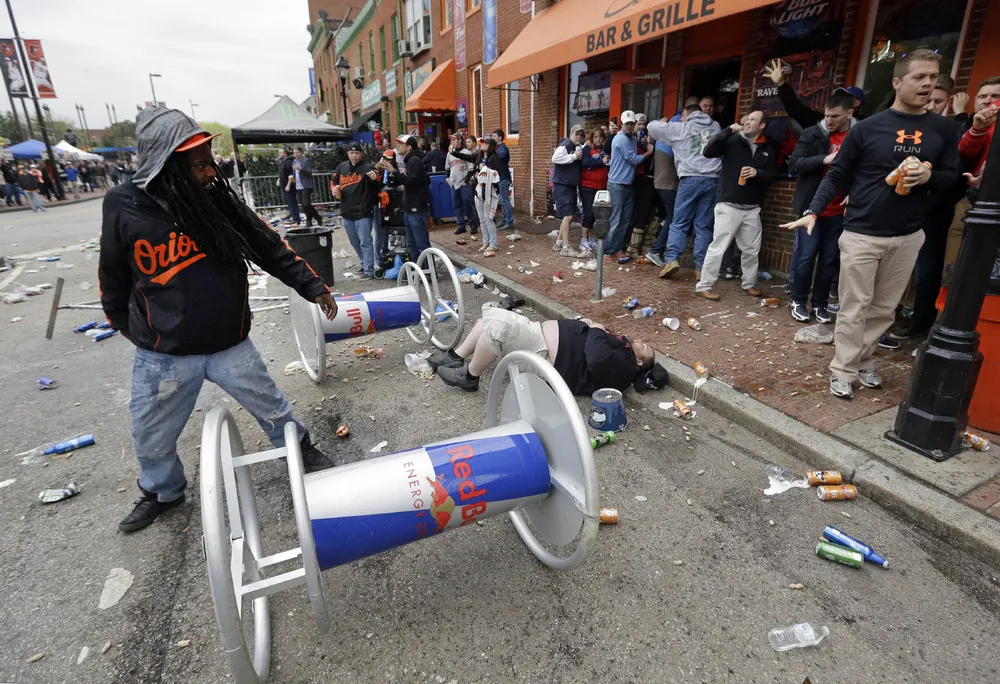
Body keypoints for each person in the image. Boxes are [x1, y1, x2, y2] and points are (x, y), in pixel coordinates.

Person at [98, 107, 339, 531]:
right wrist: (124, 322)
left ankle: (300, 451)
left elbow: (267, 244)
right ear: (167, 167)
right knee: (150, 434)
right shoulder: (123, 204)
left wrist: (312, 285)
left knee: (274, 409)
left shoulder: (216, 199)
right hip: (165, 353)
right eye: (199, 164)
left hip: (230, 343)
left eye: (209, 160)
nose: (211, 170)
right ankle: (163, 492)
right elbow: (112, 271)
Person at [780, 49, 960, 400]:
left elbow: (951, 176)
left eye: (932, 77)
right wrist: (814, 211)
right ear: (897, 82)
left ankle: (863, 359)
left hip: (908, 234)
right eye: (918, 77)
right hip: (862, 232)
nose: (927, 84)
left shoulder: (943, 128)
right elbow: (838, 176)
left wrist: (929, 175)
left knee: (882, 309)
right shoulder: (870, 128)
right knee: (854, 306)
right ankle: (842, 370)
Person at [890, 74, 975, 340]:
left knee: (928, 270)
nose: (930, 105)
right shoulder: (904, 126)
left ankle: (922, 322)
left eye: (937, 101)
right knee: (900, 268)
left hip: (938, 212)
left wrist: (962, 119)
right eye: (927, 98)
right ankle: (897, 317)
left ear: (947, 102)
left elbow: (960, 165)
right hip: (904, 207)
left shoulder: (952, 129)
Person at [430, 309, 658, 395]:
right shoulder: (623, 348)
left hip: (544, 355)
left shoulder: (627, 366)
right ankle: (455, 358)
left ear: (640, 362)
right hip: (539, 336)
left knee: (497, 329)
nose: (640, 340)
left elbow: (598, 359)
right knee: (490, 315)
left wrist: (597, 330)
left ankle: (470, 376)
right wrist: (585, 324)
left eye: (645, 347)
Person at [786, 92, 857, 324]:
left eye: (835, 116)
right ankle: (797, 300)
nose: (829, 120)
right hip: (811, 209)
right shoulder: (812, 133)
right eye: (826, 115)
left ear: (850, 113)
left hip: (839, 210)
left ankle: (820, 304)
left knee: (829, 259)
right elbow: (795, 164)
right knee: (805, 256)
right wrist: (824, 159)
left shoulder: (858, 135)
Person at [694, 110, 776, 300]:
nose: (747, 122)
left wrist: (757, 173)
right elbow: (708, 151)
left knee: (751, 250)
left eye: (753, 120)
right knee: (718, 247)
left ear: (762, 125)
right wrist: (727, 130)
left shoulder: (767, 149)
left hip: (752, 208)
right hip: (729, 204)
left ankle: (749, 283)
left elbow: (771, 175)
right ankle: (704, 286)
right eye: (746, 119)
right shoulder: (732, 141)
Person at [647, 104, 723, 279]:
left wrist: (663, 122)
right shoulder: (716, 126)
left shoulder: (681, 128)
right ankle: (700, 268)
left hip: (690, 179)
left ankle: (672, 259)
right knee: (703, 226)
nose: (680, 119)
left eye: (682, 116)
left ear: (687, 114)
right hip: (712, 180)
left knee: (679, 222)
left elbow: (652, 127)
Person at [604, 111, 654, 261]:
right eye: (627, 124)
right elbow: (633, 159)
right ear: (621, 124)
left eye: (632, 123)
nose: (630, 126)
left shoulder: (632, 138)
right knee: (615, 220)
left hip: (628, 184)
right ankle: (606, 251)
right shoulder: (620, 139)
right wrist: (649, 152)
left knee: (625, 220)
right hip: (616, 185)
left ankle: (617, 248)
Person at [762, 58, 866, 127]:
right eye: (837, 97)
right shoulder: (823, 123)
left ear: (856, 103)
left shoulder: (865, 126)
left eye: (844, 97)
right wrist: (781, 84)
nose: (838, 100)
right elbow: (796, 110)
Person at [331, 142, 380, 280]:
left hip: (363, 210)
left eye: (357, 153)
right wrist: (334, 189)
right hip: (346, 211)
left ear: (361, 154)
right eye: (351, 153)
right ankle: (364, 264)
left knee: (365, 241)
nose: (354, 155)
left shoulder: (367, 167)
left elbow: (377, 180)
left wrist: (375, 177)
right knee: (354, 241)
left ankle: (369, 270)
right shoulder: (342, 167)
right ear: (347, 154)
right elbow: (333, 181)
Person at [379, 134, 431, 262]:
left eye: (400, 144)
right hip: (410, 208)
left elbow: (411, 180)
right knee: (412, 245)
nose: (397, 146)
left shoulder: (414, 160)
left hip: (415, 209)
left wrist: (394, 171)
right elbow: (422, 180)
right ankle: (418, 272)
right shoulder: (411, 160)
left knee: (420, 245)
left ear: (409, 147)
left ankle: (428, 273)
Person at [643, 126, 679, 268]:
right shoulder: (671, 141)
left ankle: (657, 248)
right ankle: (656, 250)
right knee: (673, 217)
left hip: (661, 184)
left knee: (668, 216)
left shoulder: (660, 143)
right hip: (668, 185)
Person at [550, 124, 585, 257]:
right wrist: (574, 157)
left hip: (569, 186)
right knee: (568, 216)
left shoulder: (576, 147)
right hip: (562, 186)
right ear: (571, 134)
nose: (579, 137)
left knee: (568, 216)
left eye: (581, 135)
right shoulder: (566, 144)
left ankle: (558, 243)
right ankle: (566, 247)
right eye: (576, 134)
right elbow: (555, 158)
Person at [579, 128, 609, 257]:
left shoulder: (604, 150)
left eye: (600, 137)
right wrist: (600, 162)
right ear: (592, 138)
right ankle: (583, 240)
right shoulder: (587, 149)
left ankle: (591, 239)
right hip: (587, 186)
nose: (598, 139)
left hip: (601, 187)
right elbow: (585, 162)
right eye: (595, 137)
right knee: (588, 213)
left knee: (597, 215)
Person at [472, 138, 502, 257]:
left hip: (488, 192)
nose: (482, 145)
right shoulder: (481, 157)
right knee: (482, 219)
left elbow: (496, 176)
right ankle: (486, 241)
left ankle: (493, 243)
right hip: (479, 190)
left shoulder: (494, 158)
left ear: (490, 146)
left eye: (484, 143)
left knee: (488, 218)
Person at [446, 135, 477, 236]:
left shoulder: (466, 152)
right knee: (456, 206)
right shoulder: (449, 154)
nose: (452, 141)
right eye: (451, 140)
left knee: (468, 204)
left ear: (460, 140)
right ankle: (461, 225)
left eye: (454, 139)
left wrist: (466, 181)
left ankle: (473, 225)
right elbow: (447, 167)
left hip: (464, 183)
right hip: (453, 183)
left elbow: (471, 169)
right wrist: (447, 177)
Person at [291, 147, 320, 227]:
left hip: (306, 185)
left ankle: (316, 217)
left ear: (301, 153)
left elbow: (309, 172)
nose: (296, 154)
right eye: (294, 153)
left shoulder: (306, 161)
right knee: (303, 205)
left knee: (306, 204)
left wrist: (300, 169)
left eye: (297, 152)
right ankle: (310, 220)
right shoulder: (294, 161)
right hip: (298, 185)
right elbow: (294, 173)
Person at [493, 129, 515, 230]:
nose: (493, 138)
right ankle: (504, 220)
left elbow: (500, 156)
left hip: (503, 177)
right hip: (499, 177)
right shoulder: (497, 148)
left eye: (494, 136)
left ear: (500, 137)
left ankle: (509, 222)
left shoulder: (503, 148)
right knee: (502, 200)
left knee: (505, 200)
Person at [276, 149, 300, 225]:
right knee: (289, 202)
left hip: (288, 185)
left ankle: (296, 219)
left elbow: (291, 174)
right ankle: (293, 216)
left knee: (292, 202)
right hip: (284, 184)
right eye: (279, 153)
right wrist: (279, 179)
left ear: (285, 153)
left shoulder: (288, 162)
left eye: (281, 153)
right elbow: (282, 173)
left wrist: (288, 185)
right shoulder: (283, 162)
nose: (279, 154)